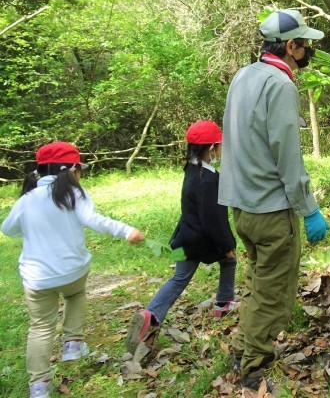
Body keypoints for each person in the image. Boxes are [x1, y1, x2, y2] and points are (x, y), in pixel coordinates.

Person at [219, 9, 330, 391]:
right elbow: (287, 155)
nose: (309, 49)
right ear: (290, 46)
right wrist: (309, 209)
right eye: (306, 44)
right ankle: (253, 367)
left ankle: (240, 347)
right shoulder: (280, 85)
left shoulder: (243, 76)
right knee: (273, 293)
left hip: (242, 206)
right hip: (271, 209)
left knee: (255, 282)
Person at [1, 142, 145, 398]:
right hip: (73, 271)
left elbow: (8, 229)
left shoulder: (26, 199)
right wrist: (125, 230)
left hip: (37, 278)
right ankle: (73, 343)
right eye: (79, 169)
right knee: (75, 295)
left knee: (41, 327)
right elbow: (93, 220)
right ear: (70, 170)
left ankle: (39, 385)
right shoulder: (74, 194)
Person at [125, 120, 237, 355]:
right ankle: (222, 303)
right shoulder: (208, 179)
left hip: (184, 238)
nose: (221, 149)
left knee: (180, 277)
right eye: (219, 145)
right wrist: (227, 244)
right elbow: (213, 219)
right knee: (228, 259)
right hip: (199, 240)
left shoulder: (191, 170)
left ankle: (153, 314)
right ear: (211, 149)